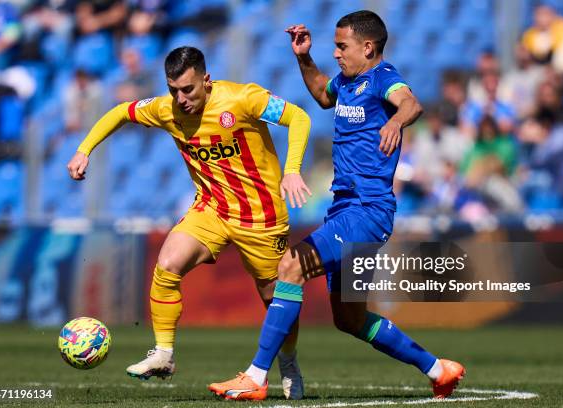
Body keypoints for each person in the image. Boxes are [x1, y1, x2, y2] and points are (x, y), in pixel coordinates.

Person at [209, 10, 465, 401]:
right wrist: (303, 57)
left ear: (368, 47)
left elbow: (410, 103)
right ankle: (438, 369)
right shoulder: (345, 83)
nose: (337, 53)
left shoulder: (382, 78)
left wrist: (396, 122)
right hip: (345, 209)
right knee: (350, 319)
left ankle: (256, 376)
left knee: (290, 267)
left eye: (342, 46)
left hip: (367, 211)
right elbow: (321, 95)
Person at [67, 46, 312, 400]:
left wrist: (291, 170)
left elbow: (299, 118)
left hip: (261, 215)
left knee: (274, 297)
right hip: (210, 209)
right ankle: (163, 354)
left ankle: (288, 363)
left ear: (206, 80)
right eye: (173, 90)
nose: (181, 99)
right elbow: (122, 111)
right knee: (167, 264)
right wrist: (84, 149)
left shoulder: (244, 99)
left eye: (188, 90)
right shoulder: (166, 109)